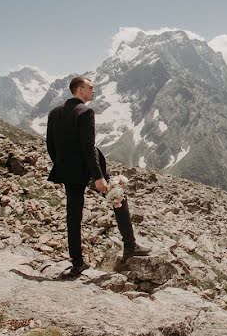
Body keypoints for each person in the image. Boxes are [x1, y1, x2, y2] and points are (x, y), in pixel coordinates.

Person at [46, 75, 150, 275]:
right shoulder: (86, 112)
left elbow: (51, 145)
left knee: (73, 215)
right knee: (118, 199)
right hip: (90, 170)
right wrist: (99, 177)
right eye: (90, 87)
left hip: (68, 172)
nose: (93, 91)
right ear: (79, 90)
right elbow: (87, 148)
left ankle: (77, 262)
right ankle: (130, 246)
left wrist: (61, 165)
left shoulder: (54, 113)